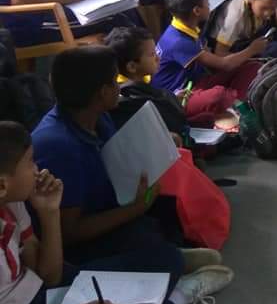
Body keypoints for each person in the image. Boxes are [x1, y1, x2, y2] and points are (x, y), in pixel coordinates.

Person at [1, 120, 233, 304]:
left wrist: (49, 211)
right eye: (30, 162)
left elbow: (49, 277)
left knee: (166, 257)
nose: (37, 169)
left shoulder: (13, 203)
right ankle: (175, 300)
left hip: (42, 294)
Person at [31, 46, 221, 269]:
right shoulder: (58, 146)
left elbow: (115, 153)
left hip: (108, 202)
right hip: (73, 246)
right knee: (159, 251)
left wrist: (160, 139)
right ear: (103, 92)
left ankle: (167, 255)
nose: (119, 86)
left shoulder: (96, 116)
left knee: (166, 210)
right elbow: (69, 232)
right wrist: (134, 210)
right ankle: (171, 263)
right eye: (114, 81)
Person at [153, 0, 264, 126]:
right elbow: (224, 64)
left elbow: (214, 60)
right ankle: (232, 106)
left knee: (251, 67)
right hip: (176, 99)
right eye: (206, 0)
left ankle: (232, 106)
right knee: (219, 95)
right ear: (197, 11)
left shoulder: (186, 27)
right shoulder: (179, 41)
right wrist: (252, 50)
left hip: (194, 84)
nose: (209, 4)